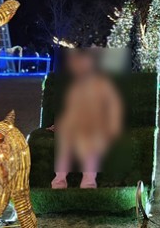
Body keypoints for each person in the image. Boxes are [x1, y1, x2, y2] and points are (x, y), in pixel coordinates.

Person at [51, 50, 124, 189]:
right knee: (65, 142)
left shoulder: (103, 84)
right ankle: (59, 180)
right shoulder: (76, 87)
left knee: (89, 143)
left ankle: (89, 182)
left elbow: (114, 106)